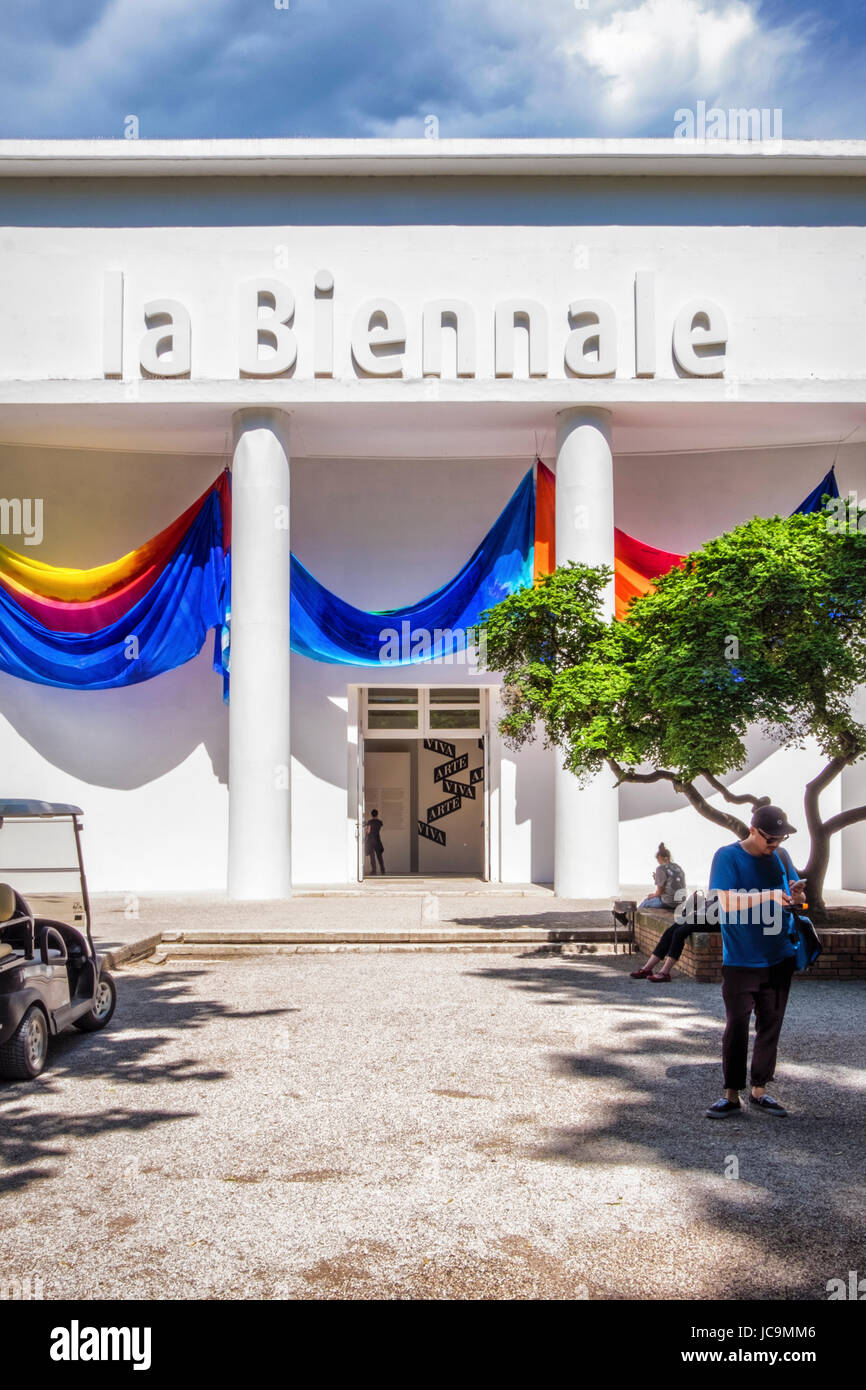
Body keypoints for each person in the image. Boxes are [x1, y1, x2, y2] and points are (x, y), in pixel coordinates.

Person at [704, 805, 805, 1120]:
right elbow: (724, 902)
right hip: (741, 958)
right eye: (770, 839)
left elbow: (796, 900)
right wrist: (771, 895)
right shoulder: (728, 856)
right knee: (736, 1025)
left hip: (779, 955)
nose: (775, 844)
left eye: (780, 838)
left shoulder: (782, 857)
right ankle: (731, 1094)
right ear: (753, 830)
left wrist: (798, 896)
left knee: (770, 1025)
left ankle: (760, 1089)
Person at [629, 844, 689, 982]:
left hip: (667, 902)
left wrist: (652, 895)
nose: (659, 863)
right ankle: (649, 968)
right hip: (680, 902)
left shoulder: (661, 869)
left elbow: (659, 892)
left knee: (644, 904)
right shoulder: (678, 867)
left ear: (662, 858)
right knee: (671, 931)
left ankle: (630, 921)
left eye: (659, 860)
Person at [364, 809, 386, 876]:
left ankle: (374, 870)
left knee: (372, 856)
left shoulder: (370, 822)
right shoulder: (380, 822)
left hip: (371, 840)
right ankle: (382, 870)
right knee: (379, 856)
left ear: (371, 814)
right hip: (377, 840)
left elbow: (368, 831)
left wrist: (365, 833)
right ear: (377, 814)